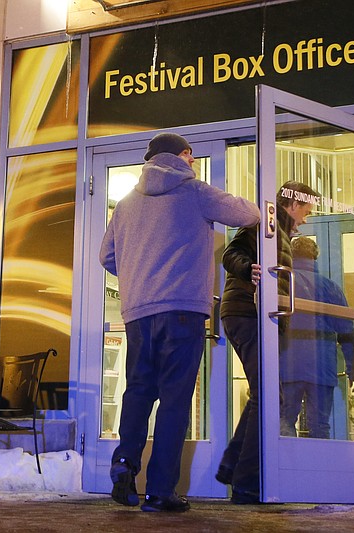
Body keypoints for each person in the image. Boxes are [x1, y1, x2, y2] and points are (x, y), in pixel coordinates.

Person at [99, 132, 260, 512]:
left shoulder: (125, 204)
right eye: (191, 157)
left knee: (138, 392)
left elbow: (107, 257)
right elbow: (250, 215)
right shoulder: (196, 191)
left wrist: (141, 272)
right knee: (174, 400)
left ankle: (124, 467)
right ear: (185, 155)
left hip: (138, 314)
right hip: (184, 311)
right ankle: (159, 492)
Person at [216, 180, 319, 504]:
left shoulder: (280, 233)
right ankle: (246, 483)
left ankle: (234, 467)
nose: (307, 218)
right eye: (307, 210)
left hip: (256, 314)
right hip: (248, 312)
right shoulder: (265, 223)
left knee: (264, 394)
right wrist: (251, 270)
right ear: (293, 204)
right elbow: (231, 255)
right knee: (268, 396)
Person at [279, 236, 354, 439]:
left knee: (285, 422)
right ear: (315, 257)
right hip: (322, 366)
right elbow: (347, 331)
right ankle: (318, 467)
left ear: (292, 255)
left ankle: (287, 468)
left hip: (288, 365)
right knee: (320, 425)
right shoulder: (330, 288)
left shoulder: (283, 283)